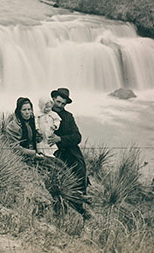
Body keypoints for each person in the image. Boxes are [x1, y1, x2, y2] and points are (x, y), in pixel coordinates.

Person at [47, 87, 89, 216]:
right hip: (52, 150)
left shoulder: (68, 117)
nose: (59, 105)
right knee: (60, 169)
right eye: (58, 102)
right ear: (53, 99)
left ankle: (79, 203)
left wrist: (60, 139)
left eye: (63, 104)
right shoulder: (45, 113)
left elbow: (77, 137)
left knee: (80, 168)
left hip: (68, 149)